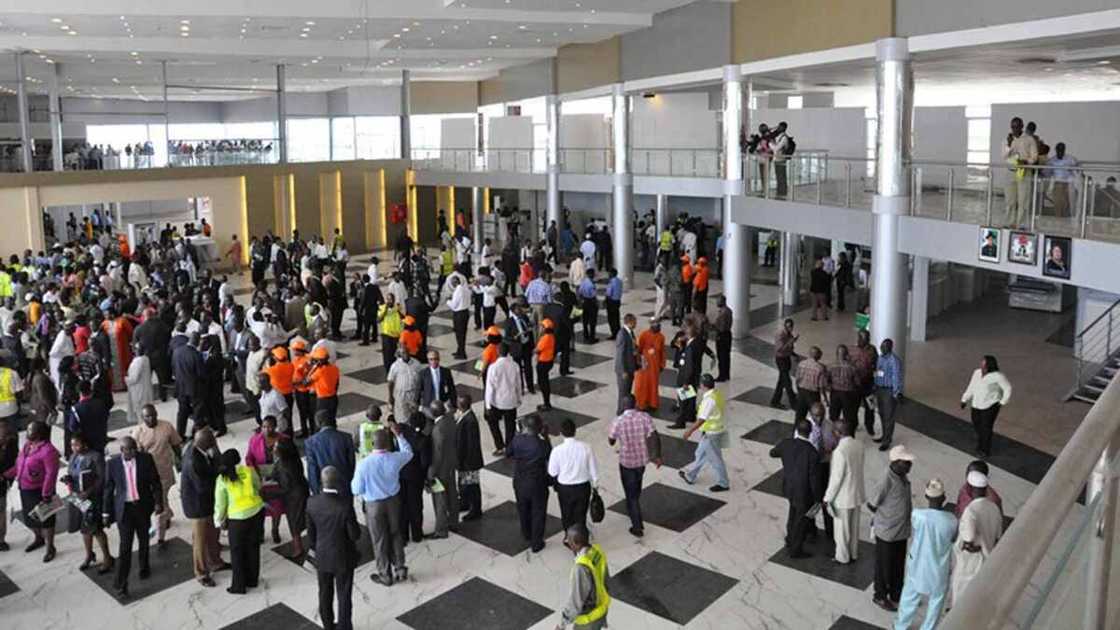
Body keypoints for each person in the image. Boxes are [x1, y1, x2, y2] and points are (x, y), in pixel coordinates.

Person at [351, 421, 413, 587]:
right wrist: (398, 435)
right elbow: (408, 452)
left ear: (372, 444)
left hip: (374, 506)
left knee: (379, 540)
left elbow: (355, 489)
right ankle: (400, 568)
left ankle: (385, 574)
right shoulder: (395, 458)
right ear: (387, 443)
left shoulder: (364, 464)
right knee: (396, 534)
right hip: (393, 502)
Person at [102, 436, 163, 599]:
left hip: (142, 507)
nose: (134, 452)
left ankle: (144, 566)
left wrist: (158, 503)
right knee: (125, 547)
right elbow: (108, 489)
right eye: (131, 449)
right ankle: (121, 583)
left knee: (144, 539)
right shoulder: (112, 464)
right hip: (125, 511)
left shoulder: (146, 459)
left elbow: (155, 482)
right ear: (122, 450)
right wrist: (106, 513)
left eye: (135, 448)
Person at [893, 479, 957, 630]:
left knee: (909, 596)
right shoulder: (951, 521)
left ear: (926, 497)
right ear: (944, 497)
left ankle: (901, 626)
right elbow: (953, 538)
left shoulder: (917, 515)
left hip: (918, 564)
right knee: (936, 601)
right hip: (938, 569)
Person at [307, 466, 362, 630]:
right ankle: (344, 626)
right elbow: (355, 535)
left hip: (322, 555)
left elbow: (311, 535)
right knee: (344, 594)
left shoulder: (312, 502)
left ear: (322, 482)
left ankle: (328, 625)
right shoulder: (344, 506)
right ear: (338, 482)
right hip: (343, 556)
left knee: (324, 592)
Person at [868, 445, 914, 611]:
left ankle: (896, 592)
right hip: (887, 532)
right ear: (895, 462)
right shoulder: (886, 479)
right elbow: (872, 503)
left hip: (901, 531)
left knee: (898, 564)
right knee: (884, 566)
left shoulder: (902, 477)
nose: (910, 465)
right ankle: (880, 596)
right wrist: (885, 517)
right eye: (906, 462)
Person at [179, 427, 227, 587]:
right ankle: (201, 572)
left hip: (207, 503)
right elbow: (202, 486)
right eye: (212, 441)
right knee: (200, 540)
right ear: (206, 443)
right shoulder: (194, 460)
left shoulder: (200, 451)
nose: (215, 443)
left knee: (213, 534)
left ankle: (215, 562)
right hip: (197, 505)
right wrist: (218, 475)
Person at [213, 448, 265, 595]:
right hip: (256, 512)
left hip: (237, 520)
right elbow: (258, 487)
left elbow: (220, 504)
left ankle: (239, 586)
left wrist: (218, 521)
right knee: (253, 547)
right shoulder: (249, 471)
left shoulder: (222, 479)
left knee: (237, 553)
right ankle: (252, 580)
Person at [609, 396, 661, 537]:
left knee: (630, 493)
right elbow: (654, 435)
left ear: (623, 406)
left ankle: (637, 526)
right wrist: (657, 456)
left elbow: (611, 441)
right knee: (636, 486)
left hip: (627, 461)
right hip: (641, 460)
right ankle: (633, 505)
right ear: (635, 404)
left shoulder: (618, 421)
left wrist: (615, 439)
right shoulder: (645, 417)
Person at [132, 404, 183, 549]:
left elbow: (176, 445)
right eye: (147, 416)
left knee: (162, 497)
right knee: (156, 499)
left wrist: (180, 462)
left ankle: (162, 527)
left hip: (165, 469)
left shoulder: (166, 427)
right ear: (143, 418)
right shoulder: (138, 432)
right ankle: (165, 515)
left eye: (153, 414)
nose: (151, 418)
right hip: (148, 473)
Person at [8, 421, 60, 561]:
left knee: (46, 520)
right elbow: (20, 464)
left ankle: (50, 547)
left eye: (31, 430)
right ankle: (38, 539)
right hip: (25, 488)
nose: (28, 432)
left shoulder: (48, 451)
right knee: (30, 518)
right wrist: (8, 474)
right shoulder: (27, 446)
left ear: (40, 433)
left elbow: (51, 473)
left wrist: (47, 493)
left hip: (41, 491)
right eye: (28, 429)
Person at [769, 418, 821, 558]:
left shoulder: (787, 443)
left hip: (789, 487)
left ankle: (789, 538)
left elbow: (773, 453)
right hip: (804, 492)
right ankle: (795, 549)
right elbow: (814, 479)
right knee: (800, 520)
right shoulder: (812, 453)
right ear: (810, 433)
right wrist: (818, 497)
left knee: (792, 513)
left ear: (797, 430)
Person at [951, 470, 1003, 607]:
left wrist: (967, 546)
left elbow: (969, 538)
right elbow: (998, 536)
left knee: (961, 592)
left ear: (970, 488)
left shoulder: (971, 511)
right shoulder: (994, 508)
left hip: (971, 560)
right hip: (987, 557)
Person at [64, 433, 114, 573]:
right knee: (84, 528)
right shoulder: (74, 456)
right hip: (77, 497)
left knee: (96, 529)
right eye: (72, 445)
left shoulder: (96, 457)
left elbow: (102, 478)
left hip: (92, 498)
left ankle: (107, 558)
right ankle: (89, 554)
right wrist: (68, 478)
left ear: (85, 444)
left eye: (77, 445)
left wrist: (89, 491)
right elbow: (72, 472)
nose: (74, 448)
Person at [508, 414, 552, 553]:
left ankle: (526, 533)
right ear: (540, 428)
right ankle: (536, 542)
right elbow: (550, 456)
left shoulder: (517, 440)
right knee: (538, 512)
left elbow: (508, 453)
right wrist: (546, 438)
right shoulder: (542, 445)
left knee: (523, 509)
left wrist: (519, 435)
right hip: (538, 484)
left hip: (520, 482)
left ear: (526, 427)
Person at [823, 417, 865, 564]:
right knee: (854, 528)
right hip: (857, 493)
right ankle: (853, 554)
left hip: (844, 497)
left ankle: (842, 557)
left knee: (842, 531)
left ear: (838, 433)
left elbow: (836, 479)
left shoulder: (840, 451)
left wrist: (827, 498)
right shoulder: (859, 445)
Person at [678, 374, 729, 492]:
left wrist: (689, 431)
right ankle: (690, 476)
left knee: (716, 459)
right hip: (716, 430)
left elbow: (702, 419)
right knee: (700, 453)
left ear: (702, 385)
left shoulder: (709, 400)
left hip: (712, 433)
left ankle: (724, 483)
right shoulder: (716, 394)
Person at [549, 418, 599, 534]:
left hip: (565, 488)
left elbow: (552, 472)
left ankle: (569, 537)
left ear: (561, 433)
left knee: (566, 514)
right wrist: (596, 485)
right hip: (583, 486)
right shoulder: (586, 447)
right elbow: (593, 469)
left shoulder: (557, 451)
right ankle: (581, 538)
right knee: (581, 515)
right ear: (575, 431)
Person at [557, 524, 611, 630]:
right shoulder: (596, 551)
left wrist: (562, 624)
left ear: (577, 543)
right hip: (602, 608)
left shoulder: (581, 568)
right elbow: (605, 578)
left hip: (589, 619)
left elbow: (576, 600)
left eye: (569, 540)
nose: (566, 541)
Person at [960, 354, 1012, 457]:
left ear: (990, 365)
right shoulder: (977, 372)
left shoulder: (997, 376)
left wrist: (1002, 402)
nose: (982, 365)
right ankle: (982, 440)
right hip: (976, 404)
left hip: (990, 406)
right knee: (976, 423)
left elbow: (1008, 388)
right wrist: (964, 399)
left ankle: (984, 449)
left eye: (984, 364)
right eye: (982, 363)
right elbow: (971, 386)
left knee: (986, 427)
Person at [270, 439, 309, 559]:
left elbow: (285, 488)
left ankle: (298, 549)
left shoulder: (284, 466)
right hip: (302, 491)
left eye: (276, 447)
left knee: (294, 522)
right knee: (304, 518)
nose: (273, 448)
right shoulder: (294, 459)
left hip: (294, 497)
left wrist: (269, 494)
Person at [427, 400, 460, 539]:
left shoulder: (438, 429)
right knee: (452, 494)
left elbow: (438, 453)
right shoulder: (450, 420)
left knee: (439, 499)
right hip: (451, 464)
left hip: (440, 469)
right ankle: (454, 522)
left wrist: (432, 472)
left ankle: (441, 529)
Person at [306, 410, 356, 496]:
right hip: (344, 486)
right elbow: (351, 464)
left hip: (324, 489)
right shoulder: (346, 438)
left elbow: (312, 470)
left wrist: (316, 492)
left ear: (318, 423)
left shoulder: (311, 442)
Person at [485, 342, 522, 455]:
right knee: (510, 426)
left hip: (497, 401)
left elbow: (490, 387)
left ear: (498, 352)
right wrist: (518, 398)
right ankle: (509, 449)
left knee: (492, 422)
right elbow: (518, 384)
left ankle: (500, 446)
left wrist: (488, 404)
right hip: (511, 401)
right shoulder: (515, 365)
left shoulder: (493, 367)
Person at [1002, 117, 1039, 228]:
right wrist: (1008, 145)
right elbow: (1004, 156)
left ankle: (1021, 224)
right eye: (1013, 127)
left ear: (1022, 126)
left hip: (1023, 170)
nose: (1015, 129)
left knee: (1023, 199)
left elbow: (1034, 157)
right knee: (1010, 200)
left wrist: (1026, 161)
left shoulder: (1029, 139)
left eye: (1017, 126)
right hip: (1010, 172)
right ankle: (1009, 223)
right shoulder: (1006, 140)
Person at [172, 332, 206, 439]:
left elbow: (173, 367)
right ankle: (197, 433)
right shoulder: (196, 354)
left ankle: (180, 434)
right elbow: (201, 374)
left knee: (182, 411)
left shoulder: (177, 351)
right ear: (197, 342)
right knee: (198, 410)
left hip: (180, 387)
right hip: (194, 388)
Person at [455, 393, 484, 521]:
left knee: (472, 486)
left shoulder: (470, 421)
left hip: (469, 461)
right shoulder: (465, 417)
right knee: (464, 485)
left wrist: (461, 460)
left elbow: (468, 445)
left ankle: (476, 509)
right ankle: (465, 503)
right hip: (465, 460)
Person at [873, 338, 904, 451]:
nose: (881, 348)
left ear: (890, 348)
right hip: (879, 389)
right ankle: (884, 435)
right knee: (881, 414)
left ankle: (887, 440)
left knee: (888, 417)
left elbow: (897, 377)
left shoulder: (894, 361)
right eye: (881, 346)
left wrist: (897, 392)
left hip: (889, 391)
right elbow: (877, 372)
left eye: (884, 346)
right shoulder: (880, 357)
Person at [633, 320, 665, 412]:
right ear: (651, 327)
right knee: (642, 384)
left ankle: (653, 403)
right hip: (644, 365)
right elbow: (638, 350)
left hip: (655, 366)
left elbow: (662, 351)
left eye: (659, 326)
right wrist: (638, 362)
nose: (659, 328)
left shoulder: (661, 337)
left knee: (653, 385)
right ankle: (641, 403)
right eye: (657, 326)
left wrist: (662, 364)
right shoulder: (644, 334)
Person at [72, 379, 110, 455]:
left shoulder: (76, 408)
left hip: (86, 441)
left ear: (79, 392)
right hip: (100, 438)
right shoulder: (100, 403)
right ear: (91, 390)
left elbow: (73, 426)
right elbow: (106, 417)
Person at [505, 301, 536, 394]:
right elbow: (506, 336)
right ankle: (520, 388)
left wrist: (530, 328)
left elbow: (529, 328)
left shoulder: (524, 317)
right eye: (518, 309)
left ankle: (530, 387)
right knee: (518, 369)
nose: (520, 310)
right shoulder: (509, 321)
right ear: (514, 311)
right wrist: (514, 337)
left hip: (526, 346)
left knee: (528, 368)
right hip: (517, 347)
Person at [853, 329, 879, 435]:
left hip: (869, 383)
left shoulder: (872, 350)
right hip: (855, 384)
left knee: (870, 406)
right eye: (861, 338)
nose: (864, 340)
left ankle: (869, 426)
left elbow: (877, 366)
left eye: (866, 338)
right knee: (853, 406)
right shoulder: (852, 350)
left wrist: (877, 381)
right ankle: (854, 424)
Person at [306, 346, 341, 423]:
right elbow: (337, 384)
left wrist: (313, 368)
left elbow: (306, 382)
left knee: (321, 421)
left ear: (319, 361)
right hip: (333, 398)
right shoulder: (335, 368)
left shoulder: (319, 372)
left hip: (322, 401)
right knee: (332, 420)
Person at [794, 345, 828, 422]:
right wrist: (825, 399)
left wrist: (799, 391)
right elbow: (821, 386)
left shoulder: (801, 364)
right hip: (813, 395)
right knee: (816, 416)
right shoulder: (820, 368)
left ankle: (797, 432)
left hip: (802, 392)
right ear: (818, 356)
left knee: (799, 416)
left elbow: (797, 380)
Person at [770, 318, 799, 410]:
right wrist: (790, 341)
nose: (789, 328)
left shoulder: (789, 334)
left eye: (791, 327)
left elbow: (789, 348)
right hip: (781, 360)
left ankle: (775, 401)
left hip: (786, 359)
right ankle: (794, 404)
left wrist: (794, 354)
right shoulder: (780, 334)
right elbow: (780, 349)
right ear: (785, 326)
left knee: (781, 382)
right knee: (787, 383)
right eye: (788, 327)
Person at [614, 313, 638, 415]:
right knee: (623, 393)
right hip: (624, 370)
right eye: (635, 322)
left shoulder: (630, 332)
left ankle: (626, 410)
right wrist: (623, 370)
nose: (636, 323)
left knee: (627, 392)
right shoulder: (622, 334)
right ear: (630, 322)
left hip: (630, 367)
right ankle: (620, 411)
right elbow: (620, 354)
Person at [378, 294, 404, 370]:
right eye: (388, 299)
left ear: (394, 300)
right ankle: (388, 369)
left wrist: (399, 311)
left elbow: (403, 318)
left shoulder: (397, 308)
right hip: (387, 334)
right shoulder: (382, 308)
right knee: (387, 354)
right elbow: (378, 320)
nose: (389, 301)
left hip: (396, 335)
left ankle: (394, 369)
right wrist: (385, 310)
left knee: (395, 353)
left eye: (391, 299)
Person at [535, 318, 557, 411]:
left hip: (543, 363)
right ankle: (546, 402)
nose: (540, 328)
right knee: (544, 382)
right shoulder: (551, 336)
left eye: (542, 326)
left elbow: (537, 350)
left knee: (543, 383)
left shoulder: (545, 338)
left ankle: (546, 404)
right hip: (548, 361)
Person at [447, 276, 471, 359]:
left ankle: (462, 353)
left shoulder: (458, 291)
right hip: (466, 312)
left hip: (459, 314)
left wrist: (448, 301)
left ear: (455, 282)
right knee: (462, 333)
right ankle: (459, 350)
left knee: (459, 334)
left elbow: (454, 305)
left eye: (452, 283)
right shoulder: (466, 289)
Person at [711, 297, 732, 382]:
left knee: (722, 356)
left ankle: (722, 376)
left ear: (722, 302)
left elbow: (722, 327)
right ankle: (726, 374)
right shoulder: (728, 310)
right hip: (727, 335)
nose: (716, 303)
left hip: (722, 336)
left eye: (718, 301)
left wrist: (714, 327)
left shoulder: (723, 313)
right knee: (726, 356)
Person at [577, 269, 599, 343]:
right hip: (591, 302)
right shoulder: (591, 285)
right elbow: (593, 296)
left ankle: (585, 335)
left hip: (585, 302)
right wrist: (596, 304)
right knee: (592, 321)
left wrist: (580, 301)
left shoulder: (583, 282)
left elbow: (579, 292)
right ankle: (591, 338)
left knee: (585, 320)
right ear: (591, 275)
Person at [604, 268, 623, 339]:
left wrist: (605, 300)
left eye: (609, 273)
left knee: (611, 319)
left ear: (612, 274)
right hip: (617, 301)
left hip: (611, 302)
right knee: (616, 318)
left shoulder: (611, 282)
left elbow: (609, 293)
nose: (608, 274)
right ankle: (618, 332)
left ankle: (614, 334)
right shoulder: (619, 281)